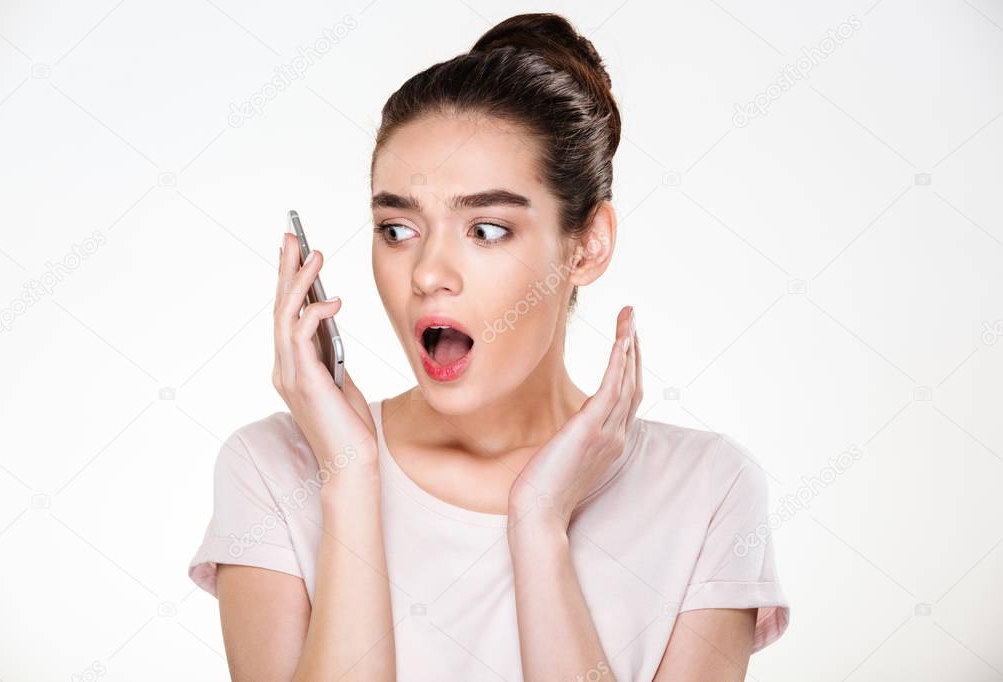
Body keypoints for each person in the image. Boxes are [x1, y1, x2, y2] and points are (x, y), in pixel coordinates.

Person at [188, 12, 789, 681]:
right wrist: (351, 477)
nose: (426, 273)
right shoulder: (273, 467)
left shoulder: (706, 489)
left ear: (586, 245)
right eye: (396, 228)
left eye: (486, 229)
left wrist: (538, 527)